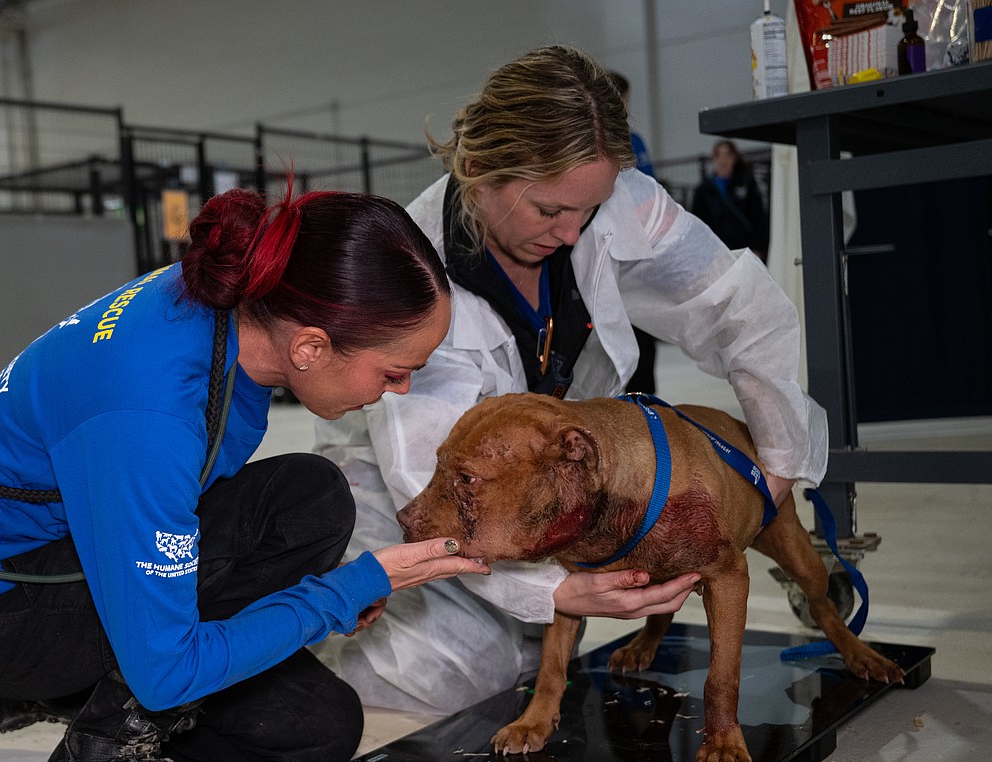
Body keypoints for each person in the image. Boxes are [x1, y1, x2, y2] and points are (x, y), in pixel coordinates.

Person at [0, 183, 489, 762]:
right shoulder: (149, 411)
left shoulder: (225, 312)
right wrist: (348, 589)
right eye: (396, 372)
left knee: (316, 734)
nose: (401, 390)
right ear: (312, 347)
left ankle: (66, 698)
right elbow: (169, 671)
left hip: (69, 564)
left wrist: (331, 594)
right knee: (306, 501)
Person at [312, 45, 827, 716]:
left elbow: (739, 306)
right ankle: (303, 638)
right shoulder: (418, 269)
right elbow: (422, 470)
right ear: (476, 171)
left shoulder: (607, 202)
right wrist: (551, 594)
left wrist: (780, 462)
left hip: (541, 488)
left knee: (555, 649)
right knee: (468, 675)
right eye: (549, 210)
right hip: (409, 488)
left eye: (588, 208)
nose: (572, 230)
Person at [608, 69, 658, 393]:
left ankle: (647, 405)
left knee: (643, 334)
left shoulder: (634, 141)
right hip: (611, 251)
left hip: (637, 251)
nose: (624, 107)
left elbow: (650, 190)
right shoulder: (593, 143)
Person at [691, 139, 770, 260]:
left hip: (745, 248)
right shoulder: (703, 189)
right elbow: (699, 223)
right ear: (714, 158)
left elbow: (758, 216)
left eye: (727, 155)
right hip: (717, 252)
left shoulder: (747, 183)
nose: (723, 160)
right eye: (719, 155)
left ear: (734, 158)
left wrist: (758, 247)